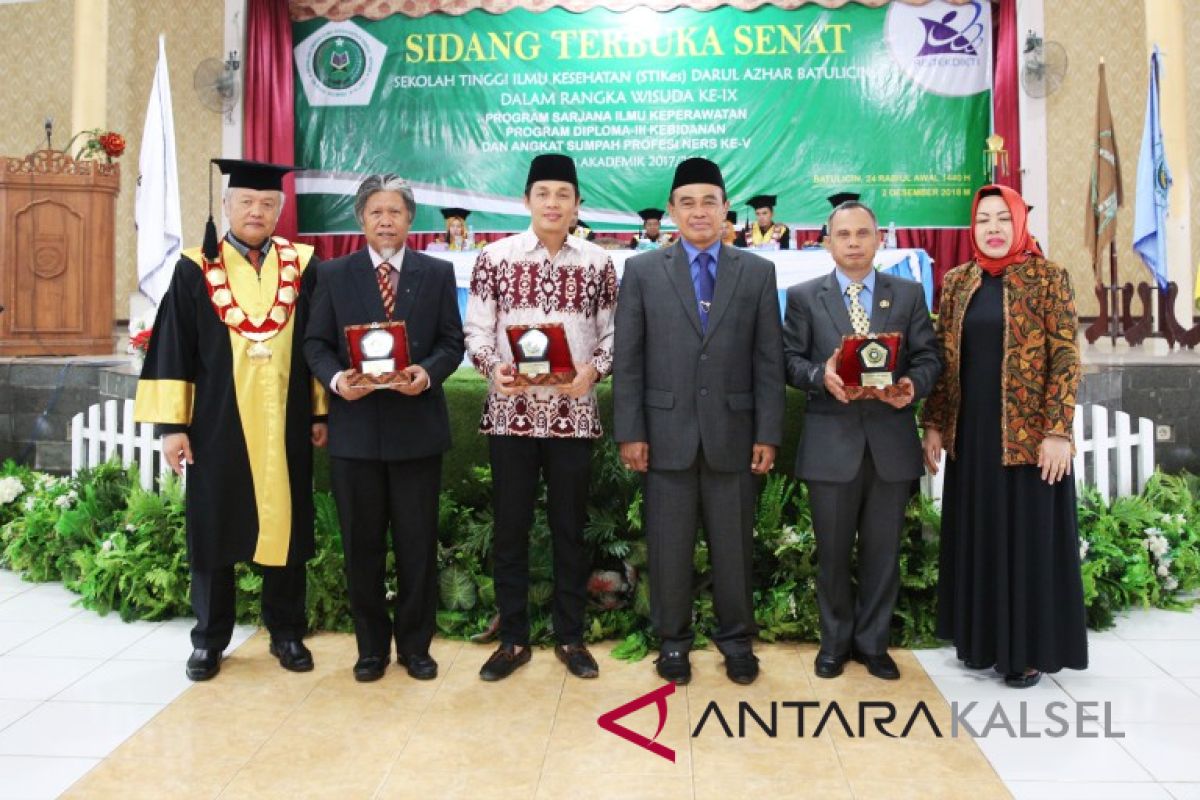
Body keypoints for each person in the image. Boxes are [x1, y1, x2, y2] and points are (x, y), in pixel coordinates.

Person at [134, 159, 326, 681]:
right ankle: (209, 639)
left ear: (280, 211)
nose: (257, 212)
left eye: (268, 204)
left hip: (286, 421)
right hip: (217, 422)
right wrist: (173, 426)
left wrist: (319, 410)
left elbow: (316, 343)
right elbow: (173, 346)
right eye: (246, 202)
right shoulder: (195, 267)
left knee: (288, 527)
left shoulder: (302, 264)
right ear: (226, 207)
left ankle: (286, 632)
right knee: (214, 526)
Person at [613, 157, 785, 686]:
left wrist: (767, 433)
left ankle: (736, 640)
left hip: (734, 433)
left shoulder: (756, 271)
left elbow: (768, 360)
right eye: (687, 202)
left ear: (725, 207)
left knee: (733, 543)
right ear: (671, 211)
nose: (699, 211)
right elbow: (629, 358)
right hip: (665, 435)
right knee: (668, 543)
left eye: (709, 200)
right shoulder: (643, 271)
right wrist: (631, 431)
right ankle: (673, 641)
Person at [921, 184, 1087, 688]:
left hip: (1029, 440)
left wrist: (1057, 430)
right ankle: (980, 641)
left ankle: (1026, 652)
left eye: (1002, 219)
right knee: (980, 536)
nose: (993, 229)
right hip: (972, 439)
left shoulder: (1047, 277)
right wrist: (933, 422)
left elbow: (1065, 356)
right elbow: (944, 359)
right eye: (983, 220)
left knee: (1025, 542)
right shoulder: (957, 280)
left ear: (1020, 223)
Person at [304, 175, 464, 683]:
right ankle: (370, 648)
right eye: (376, 212)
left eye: (395, 211)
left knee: (417, 546)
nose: (386, 220)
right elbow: (315, 343)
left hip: (416, 430)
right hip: (355, 432)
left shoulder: (436, 273)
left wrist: (428, 372)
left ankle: (416, 648)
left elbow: (450, 342)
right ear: (361, 219)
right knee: (362, 548)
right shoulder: (333, 274)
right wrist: (334, 380)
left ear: (410, 219)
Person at [463, 154, 618, 682]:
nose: (553, 204)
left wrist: (593, 372)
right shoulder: (494, 258)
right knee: (511, 529)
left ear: (578, 204)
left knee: (569, 528)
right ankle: (513, 639)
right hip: (513, 415)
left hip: (573, 414)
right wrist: (493, 368)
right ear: (526, 201)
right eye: (543, 193)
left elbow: (614, 335)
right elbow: (477, 331)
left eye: (563, 195)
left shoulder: (598, 262)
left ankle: (570, 637)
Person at [782, 199, 941, 681]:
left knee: (882, 552)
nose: (853, 242)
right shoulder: (806, 296)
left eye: (862, 233)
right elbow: (787, 360)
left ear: (879, 240)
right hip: (832, 445)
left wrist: (913, 386)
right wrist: (819, 375)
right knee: (831, 554)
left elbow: (929, 358)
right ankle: (833, 644)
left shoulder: (908, 294)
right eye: (843, 235)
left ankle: (873, 645)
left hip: (889, 444)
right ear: (827, 242)